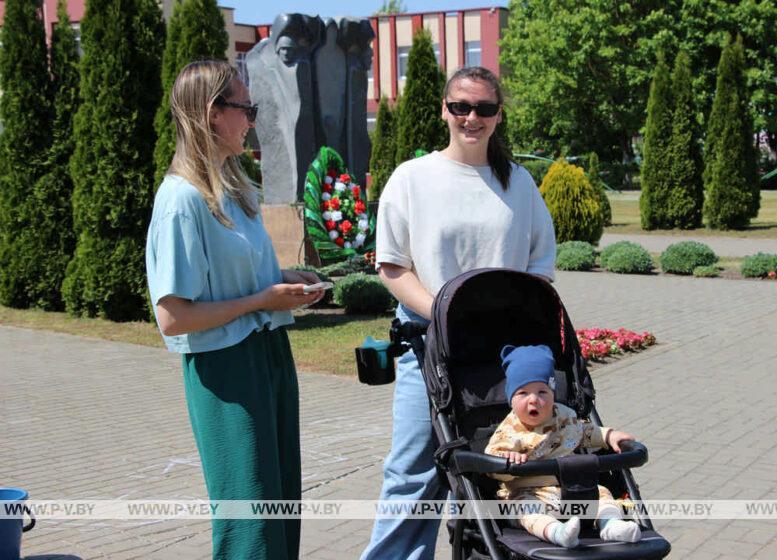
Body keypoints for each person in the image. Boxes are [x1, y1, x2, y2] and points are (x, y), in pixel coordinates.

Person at [361, 66, 557, 560]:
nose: (472, 118)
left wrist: (498, 320)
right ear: (445, 111)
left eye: (485, 109)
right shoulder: (413, 178)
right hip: (427, 346)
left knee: (494, 469)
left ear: (497, 116)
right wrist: (449, 315)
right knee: (413, 474)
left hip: (500, 353)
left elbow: (539, 268)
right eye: (461, 107)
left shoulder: (519, 185)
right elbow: (393, 266)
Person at [145, 60, 324, 560]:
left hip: (267, 354)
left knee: (281, 502)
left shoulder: (235, 187)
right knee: (250, 519)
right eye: (246, 108)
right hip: (226, 370)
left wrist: (287, 282)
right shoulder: (182, 200)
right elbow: (174, 317)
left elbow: (239, 279)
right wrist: (261, 301)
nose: (252, 120)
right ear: (211, 114)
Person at [485, 344, 642, 548]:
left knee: (602, 494)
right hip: (529, 491)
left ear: (552, 393)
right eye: (523, 393)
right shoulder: (509, 430)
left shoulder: (564, 416)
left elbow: (585, 432)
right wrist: (508, 460)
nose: (534, 400)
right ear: (511, 399)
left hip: (571, 488)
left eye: (542, 392)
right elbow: (492, 460)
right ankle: (557, 533)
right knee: (524, 509)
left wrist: (609, 435)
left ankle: (611, 525)